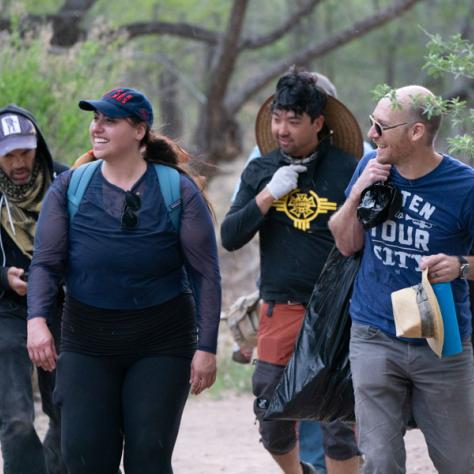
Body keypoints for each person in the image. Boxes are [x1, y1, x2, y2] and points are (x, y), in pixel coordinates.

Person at [26, 87, 221, 474]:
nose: (96, 128)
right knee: (83, 458)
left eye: (109, 121)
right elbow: (46, 264)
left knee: (148, 457)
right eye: (95, 119)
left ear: (138, 131)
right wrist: (36, 321)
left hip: (161, 340)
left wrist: (207, 346)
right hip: (87, 340)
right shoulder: (69, 188)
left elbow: (205, 274)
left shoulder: (177, 190)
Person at [221, 68, 362, 474]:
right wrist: (269, 195)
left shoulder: (347, 169)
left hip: (338, 308)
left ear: (318, 123)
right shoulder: (261, 170)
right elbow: (230, 237)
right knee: (270, 407)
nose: (282, 129)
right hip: (280, 304)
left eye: (294, 120)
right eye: (277, 119)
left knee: (339, 416)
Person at [329, 85, 474, 473]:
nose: (371, 134)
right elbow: (345, 243)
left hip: (441, 340)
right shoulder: (371, 166)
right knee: (379, 460)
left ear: (416, 132)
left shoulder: (465, 187)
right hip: (374, 333)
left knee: (459, 461)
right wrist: (358, 192)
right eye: (372, 123)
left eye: (381, 126)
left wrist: (460, 265)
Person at [0, 105, 67, 474]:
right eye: (9, 155)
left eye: (25, 151)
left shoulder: (66, 182)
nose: (19, 162)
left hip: (60, 306)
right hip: (7, 312)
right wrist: (2, 277)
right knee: (16, 420)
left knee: (65, 409)